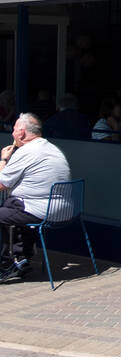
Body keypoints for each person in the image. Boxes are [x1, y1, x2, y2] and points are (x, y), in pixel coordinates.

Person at [0, 112, 70, 282]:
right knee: (11, 206)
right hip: (63, 210)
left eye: (14, 129)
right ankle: (21, 259)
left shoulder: (26, 152)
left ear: (21, 133)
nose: (12, 133)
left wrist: (3, 159)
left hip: (41, 210)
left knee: (8, 210)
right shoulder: (51, 148)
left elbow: (1, 184)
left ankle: (5, 265)